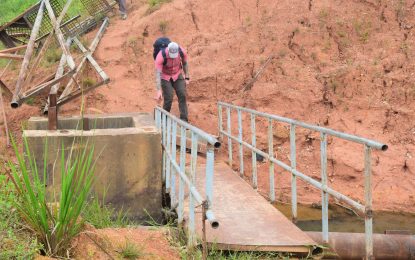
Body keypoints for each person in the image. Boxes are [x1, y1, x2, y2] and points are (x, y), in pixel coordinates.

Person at [155, 42, 190, 122]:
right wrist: (159, 90)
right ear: (168, 50)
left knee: (182, 94)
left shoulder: (182, 52)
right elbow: (158, 74)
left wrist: (187, 77)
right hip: (165, 76)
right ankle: (164, 119)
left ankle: (184, 120)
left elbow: (185, 63)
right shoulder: (161, 56)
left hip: (177, 74)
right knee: (169, 97)